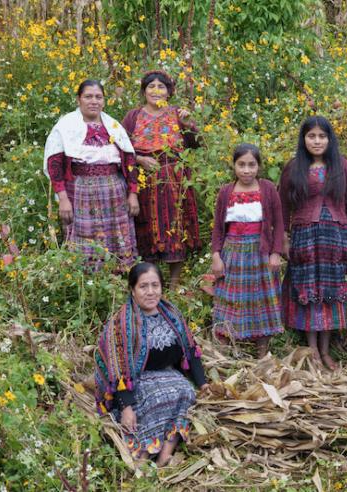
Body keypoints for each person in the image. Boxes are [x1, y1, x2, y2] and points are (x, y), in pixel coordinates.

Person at [94, 262, 209, 467]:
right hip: (135, 381)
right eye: (143, 286)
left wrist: (203, 384)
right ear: (132, 289)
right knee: (157, 399)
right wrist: (126, 407)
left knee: (185, 392)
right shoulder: (121, 323)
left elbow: (190, 351)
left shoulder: (172, 315)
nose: (150, 292)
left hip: (168, 374)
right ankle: (144, 455)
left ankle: (166, 452)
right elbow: (117, 371)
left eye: (155, 285)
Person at [279, 116, 347, 370]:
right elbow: (283, 207)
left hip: (334, 237)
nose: (317, 141)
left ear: (330, 139)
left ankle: (326, 351)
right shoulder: (294, 168)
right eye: (311, 136)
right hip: (304, 237)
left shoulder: (342, 166)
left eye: (322, 136)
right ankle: (311, 350)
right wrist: (283, 239)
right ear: (304, 139)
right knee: (308, 291)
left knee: (330, 292)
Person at [44, 79, 139, 269]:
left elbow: (129, 161)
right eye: (88, 96)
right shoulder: (65, 127)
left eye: (98, 97)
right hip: (80, 192)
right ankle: (87, 281)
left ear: (104, 101)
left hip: (114, 192)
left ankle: (118, 278)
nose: (93, 101)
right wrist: (62, 198)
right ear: (79, 99)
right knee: (84, 237)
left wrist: (133, 193)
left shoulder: (113, 127)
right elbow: (54, 165)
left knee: (116, 237)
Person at [122, 71, 200, 289]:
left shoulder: (177, 114)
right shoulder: (133, 117)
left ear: (169, 91)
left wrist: (188, 124)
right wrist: (141, 159)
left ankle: (174, 286)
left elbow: (197, 143)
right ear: (144, 90)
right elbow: (122, 148)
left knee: (176, 227)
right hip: (143, 181)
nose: (156, 91)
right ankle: (149, 283)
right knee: (146, 227)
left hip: (174, 180)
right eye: (151, 86)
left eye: (161, 87)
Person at [211, 144, 284, 358]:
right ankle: (229, 348)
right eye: (241, 164)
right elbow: (218, 227)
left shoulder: (268, 188)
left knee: (262, 298)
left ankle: (262, 349)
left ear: (259, 166)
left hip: (260, 253)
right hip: (232, 252)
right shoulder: (226, 192)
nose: (246, 170)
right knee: (232, 298)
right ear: (234, 166)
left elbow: (279, 224)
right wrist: (216, 255)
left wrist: (275, 252)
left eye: (251, 165)